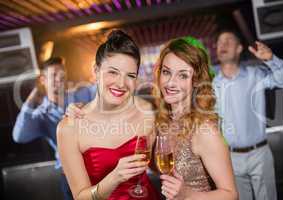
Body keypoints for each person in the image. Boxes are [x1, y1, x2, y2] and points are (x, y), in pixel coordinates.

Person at [57, 30, 160, 200]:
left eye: (130, 76)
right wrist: (115, 178)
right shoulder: (69, 128)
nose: (121, 83)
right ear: (95, 70)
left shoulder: (146, 111)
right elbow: (80, 197)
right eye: (113, 72)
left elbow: (156, 164)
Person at [152, 36, 238, 200]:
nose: (170, 83)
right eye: (166, 72)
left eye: (182, 76)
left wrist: (187, 194)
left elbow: (231, 194)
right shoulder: (166, 122)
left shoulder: (204, 131)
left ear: (196, 81)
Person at [213, 29, 283, 200]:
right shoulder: (212, 84)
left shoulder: (255, 74)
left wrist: (271, 60)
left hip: (259, 154)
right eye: (220, 42)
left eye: (228, 40)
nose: (223, 44)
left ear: (239, 48)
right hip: (230, 158)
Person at [12, 57, 96, 200]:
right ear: (43, 80)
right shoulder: (41, 115)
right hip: (70, 177)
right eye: (54, 75)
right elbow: (19, 136)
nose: (60, 79)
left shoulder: (82, 94)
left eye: (62, 75)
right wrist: (32, 97)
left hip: (97, 167)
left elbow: (103, 92)